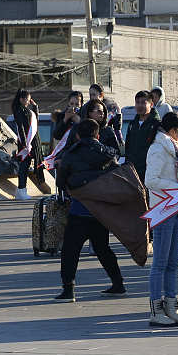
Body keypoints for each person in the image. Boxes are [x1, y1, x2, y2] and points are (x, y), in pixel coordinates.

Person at [54, 117, 125, 301]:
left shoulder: (70, 154)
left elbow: (60, 181)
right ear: (98, 135)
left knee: (70, 250)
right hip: (100, 211)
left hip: (79, 210)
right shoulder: (108, 154)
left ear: (77, 135)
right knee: (103, 248)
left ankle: (68, 289)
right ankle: (118, 283)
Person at [145, 111, 178, 326]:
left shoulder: (174, 148)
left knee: (173, 262)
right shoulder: (158, 148)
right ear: (173, 131)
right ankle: (156, 310)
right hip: (162, 209)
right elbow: (151, 180)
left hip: (175, 208)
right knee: (160, 263)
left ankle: (171, 306)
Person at [11, 89, 41, 200]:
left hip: (29, 141)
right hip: (25, 142)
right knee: (23, 166)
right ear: (21, 99)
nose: (29, 102)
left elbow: (35, 123)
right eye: (27, 100)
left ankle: (22, 190)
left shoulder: (26, 110)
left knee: (26, 166)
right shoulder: (19, 110)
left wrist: (36, 108)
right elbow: (21, 127)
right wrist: (25, 144)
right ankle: (21, 190)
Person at [124, 91, 159, 180]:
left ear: (151, 104)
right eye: (137, 102)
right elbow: (128, 146)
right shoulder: (132, 124)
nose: (139, 105)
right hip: (133, 170)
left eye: (143, 102)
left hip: (149, 170)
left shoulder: (156, 125)